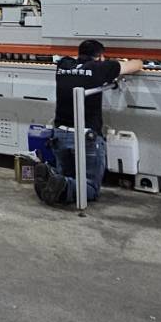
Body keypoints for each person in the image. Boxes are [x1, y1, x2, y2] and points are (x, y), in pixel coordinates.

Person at [34, 40, 142, 206]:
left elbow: (74, 64)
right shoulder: (100, 68)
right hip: (86, 138)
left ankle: (54, 179)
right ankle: (63, 185)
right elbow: (137, 64)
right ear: (99, 57)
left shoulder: (63, 65)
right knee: (90, 187)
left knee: (67, 176)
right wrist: (117, 63)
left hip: (59, 136)